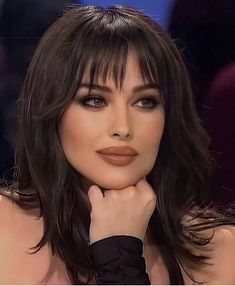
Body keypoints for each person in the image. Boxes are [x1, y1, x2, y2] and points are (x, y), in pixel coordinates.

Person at [0, 5, 235, 284]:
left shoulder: (222, 254)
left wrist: (120, 256)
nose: (123, 128)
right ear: (53, 113)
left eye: (145, 102)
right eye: (95, 101)